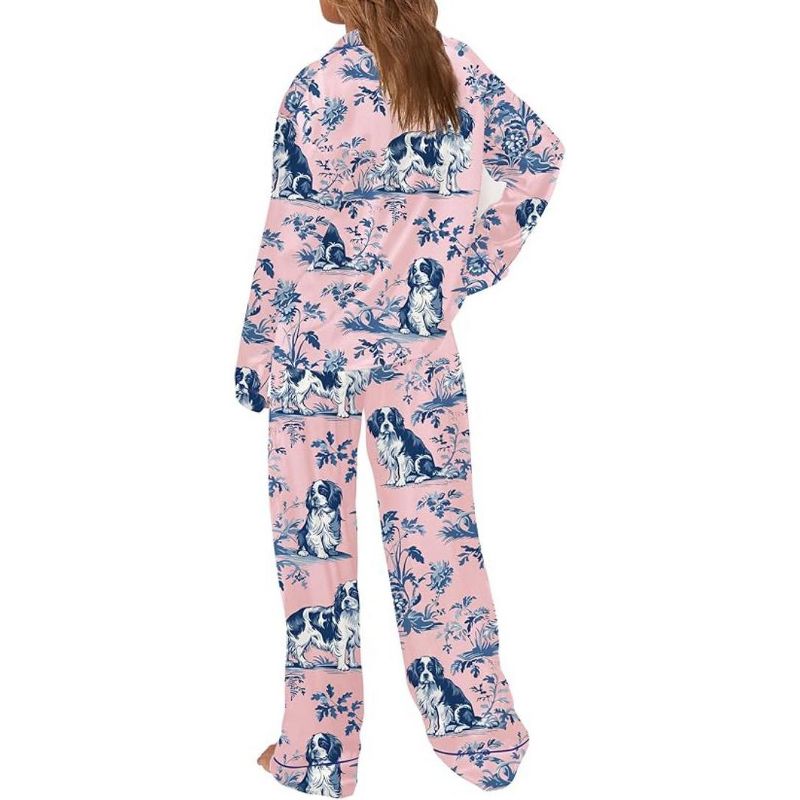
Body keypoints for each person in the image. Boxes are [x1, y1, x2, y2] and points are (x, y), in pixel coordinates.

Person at [236, 0, 564, 794]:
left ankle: (319, 758)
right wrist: (466, 268)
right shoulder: (456, 70)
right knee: (441, 547)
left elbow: (290, 228)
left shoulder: (317, 85)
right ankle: (483, 745)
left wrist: (253, 351)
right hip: (418, 354)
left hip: (312, 352)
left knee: (314, 560)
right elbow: (539, 159)